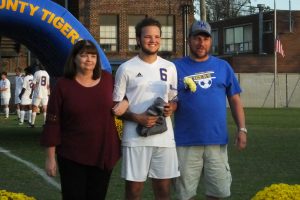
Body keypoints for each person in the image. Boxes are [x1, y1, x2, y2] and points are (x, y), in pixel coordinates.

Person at [41, 40, 126, 200]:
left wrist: (125, 103)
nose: (89, 59)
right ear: (74, 58)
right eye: (84, 55)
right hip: (71, 155)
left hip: (103, 154)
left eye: (93, 55)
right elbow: (53, 123)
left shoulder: (108, 80)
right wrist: (50, 158)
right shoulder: (63, 86)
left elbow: (125, 97)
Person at [173, 20, 247, 200]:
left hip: (216, 140)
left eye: (205, 39)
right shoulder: (175, 67)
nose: (201, 43)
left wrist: (242, 129)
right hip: (186, 141)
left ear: (210, 41)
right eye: (197, 38)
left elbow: (235, 99)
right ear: (189, 40)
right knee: (185, 194)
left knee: (218, 193)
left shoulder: (223, 67)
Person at [113, 17, 179, 200]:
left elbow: (174, 99)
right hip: (135, 139)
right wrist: (137, 118)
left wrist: (171, 108)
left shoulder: (170, 67)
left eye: (157, 36)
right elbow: (116, 108)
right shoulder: (126, 68)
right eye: (148, 36)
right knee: (134, 192)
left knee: (164, 191)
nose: (153, 40)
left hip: (164, 138)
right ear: (138, 39)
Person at [30, 63, 50, 127]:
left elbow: (33, 84)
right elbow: (48, 85)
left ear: (39, 67)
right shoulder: (47, 74)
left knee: (34, 107)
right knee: (45, 108)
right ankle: (45, 123)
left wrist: (31, 93)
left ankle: (32, 123)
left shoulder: (37, 73)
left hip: (38, 92)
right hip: (45, 93)